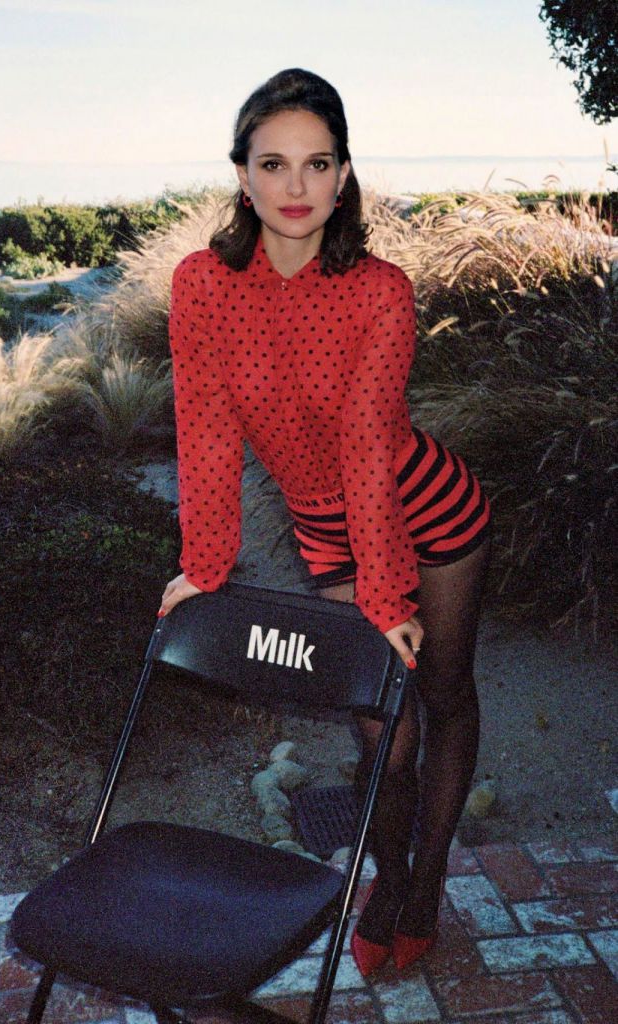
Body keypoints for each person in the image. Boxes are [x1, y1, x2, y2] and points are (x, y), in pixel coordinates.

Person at [159, 68, 491, 976]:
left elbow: (366, 442)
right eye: (274, 163)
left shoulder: (379, 289)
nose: (296, 185)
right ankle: (390, 877)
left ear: (343, 176)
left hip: (429, 510)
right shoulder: (202, 285)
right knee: (381, 729)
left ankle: (424, 888)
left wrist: (386, 592)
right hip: (328, 533)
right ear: (242, 174)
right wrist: (205, 565)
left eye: (318, 163)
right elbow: (205, 429)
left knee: (443, 694)